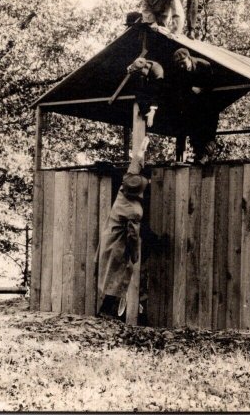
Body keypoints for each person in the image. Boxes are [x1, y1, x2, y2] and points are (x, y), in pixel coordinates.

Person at [97, 137, 151, 319]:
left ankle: (107, 311)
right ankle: (106, 312)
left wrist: (142, 148)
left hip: (109, 238)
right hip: (118, 245)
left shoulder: (123, 191)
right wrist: (136, 255)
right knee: (117, 276)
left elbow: (134, 166)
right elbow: (133, 235)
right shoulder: (134, 210)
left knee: (110, 276)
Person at [172, 48, 219, 164]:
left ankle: (207, 155)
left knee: (207, 132)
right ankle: (199, 156)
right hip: (192, 105)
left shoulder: (203, 65)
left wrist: (202, 89)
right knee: (193, 131)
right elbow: (179, 87)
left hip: (208, 104)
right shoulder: (179, 70)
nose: (181, 66)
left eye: (183, 63)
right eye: (179, 64)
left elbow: (213, 82)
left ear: (188, 57)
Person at [127, 56, 165, 128]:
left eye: (141, 71)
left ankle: (151, 112)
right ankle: (144, 111)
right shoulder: (140, 63)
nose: (141, 73)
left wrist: (152, 110)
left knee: (153, 91)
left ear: (146, 67)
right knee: (138, 90)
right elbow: (132, 67)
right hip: (148, 79)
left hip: (157, 82)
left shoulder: (158, 71)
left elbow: (156, 93)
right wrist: (130, 69)